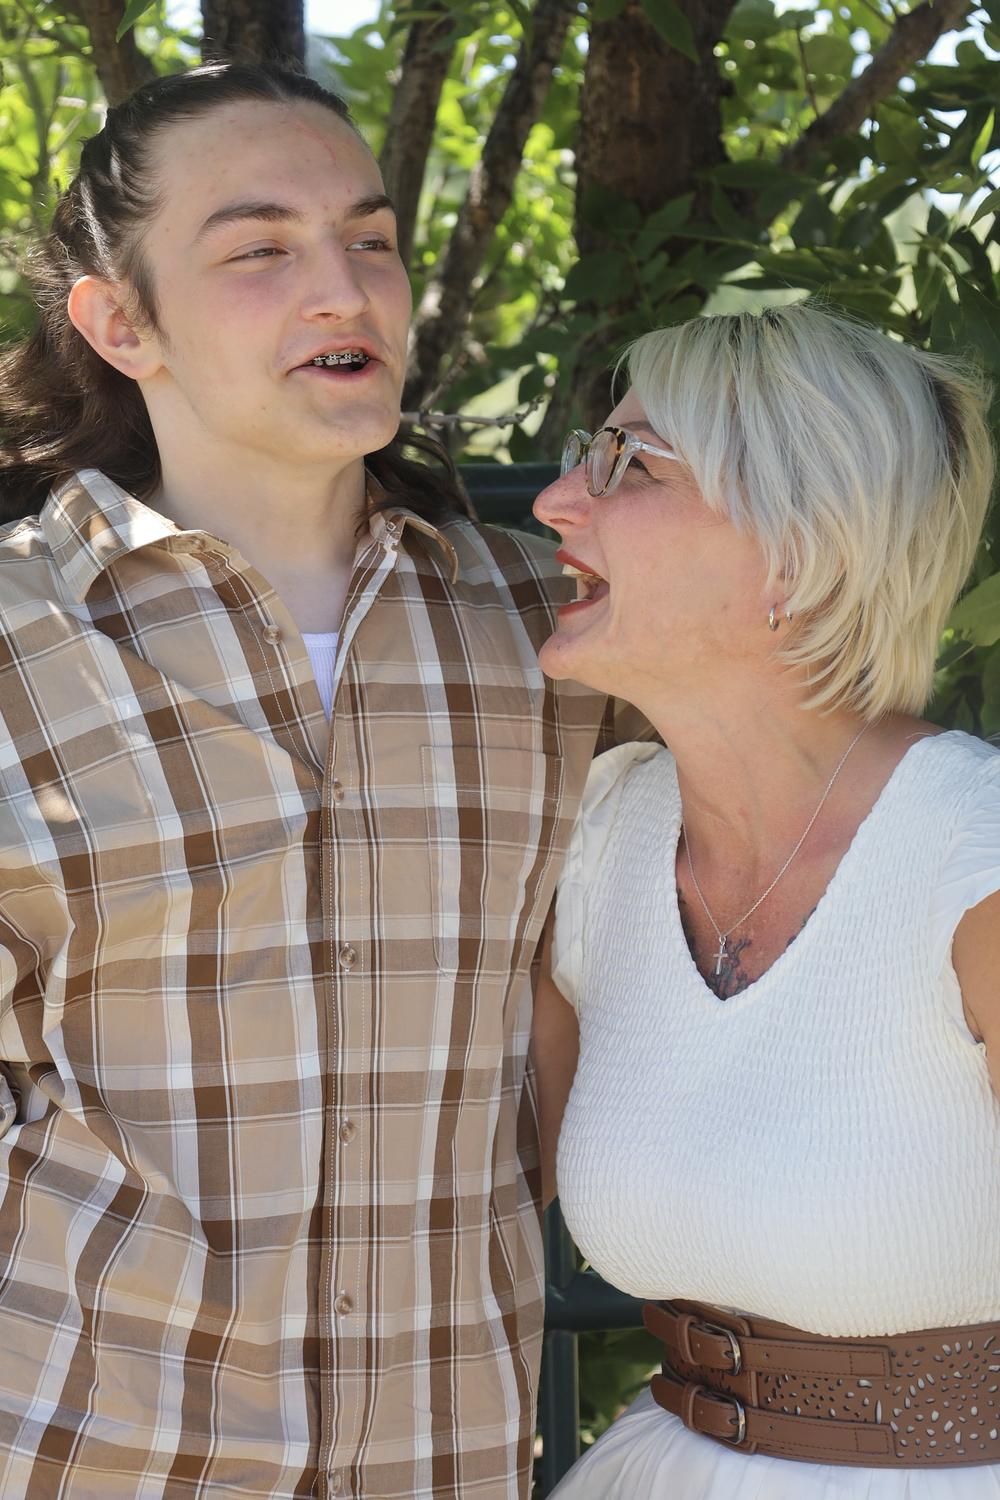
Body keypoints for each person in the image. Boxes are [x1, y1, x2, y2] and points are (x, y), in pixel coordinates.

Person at [0, 62, 630, 1500]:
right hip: (83, 1453)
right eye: (260, 250)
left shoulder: (559, 632)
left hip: (442, 1459)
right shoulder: (16, 636)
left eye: (372, 239)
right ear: (119, 323)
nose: (344, 289)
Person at [530, 302, 1000, 1498]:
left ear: (796, 549)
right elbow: (451, 1181)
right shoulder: (602, 835)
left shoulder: (974, 859)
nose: (554, 502)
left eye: (629, 464)